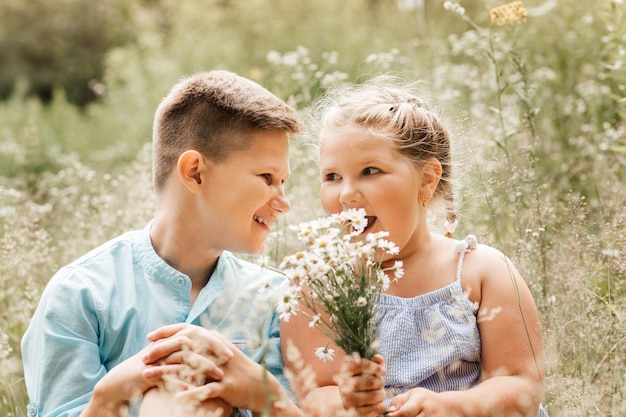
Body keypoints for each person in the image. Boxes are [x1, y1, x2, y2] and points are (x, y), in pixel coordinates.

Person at [21, 70, 305, 417]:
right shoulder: (80, 294)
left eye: (284, 182)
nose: (283, 202)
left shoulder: (279, 301)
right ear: (195, 172)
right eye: (267, 178)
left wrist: (267, 395)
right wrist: (107, 398)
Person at [281, 77, 549, 417]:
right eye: (332, 176)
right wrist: (348, 400)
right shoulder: (318, 285)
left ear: (427, 179)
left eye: (370, 170)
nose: (346, 193)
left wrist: (453, 406)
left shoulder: (481, 272)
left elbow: (522, 385)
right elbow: (315, 394)